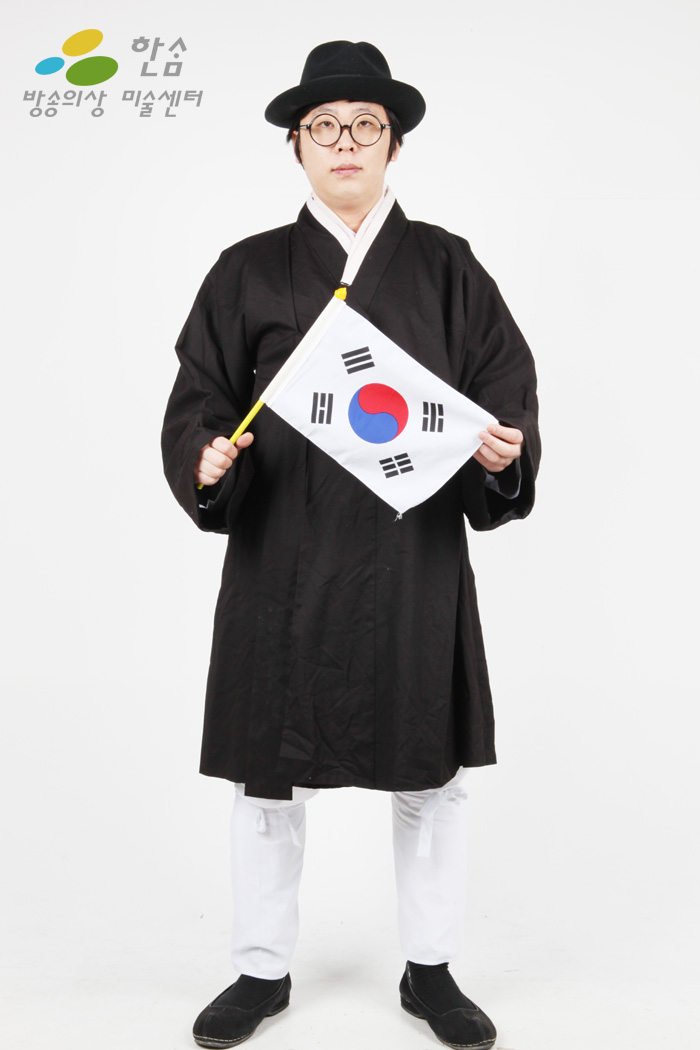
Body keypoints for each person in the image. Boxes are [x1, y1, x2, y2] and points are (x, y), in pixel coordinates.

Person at [162, 40, 540, 1050]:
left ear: (393, 145)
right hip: (279, 557)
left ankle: (431, 968)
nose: (345, 142)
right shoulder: (246, 270)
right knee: (265, 774)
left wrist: (503, 452)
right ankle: (259, 967)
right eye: (323, 126)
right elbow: (199, 400)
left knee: (430, 773)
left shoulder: (448, 267)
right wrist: (203, 458)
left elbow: (502, 392)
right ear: (296, 144)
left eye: (365, 126)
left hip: (410, 563)